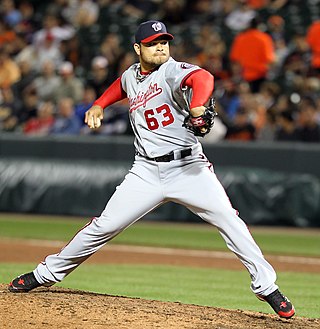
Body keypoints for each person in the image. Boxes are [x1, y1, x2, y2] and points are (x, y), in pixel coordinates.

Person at [8, 20, 295, 319]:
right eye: (152, 43)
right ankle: (45, 274)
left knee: (229, 220)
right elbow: (121, 85)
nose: (160, 46)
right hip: (145, 171)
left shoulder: (172, 70)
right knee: (103, 226)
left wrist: (197, 106)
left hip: (188, 168)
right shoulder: (132, 75)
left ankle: (267, 287)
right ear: (138, 48)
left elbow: (203, 78)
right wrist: (99, 104)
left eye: (164, 41)